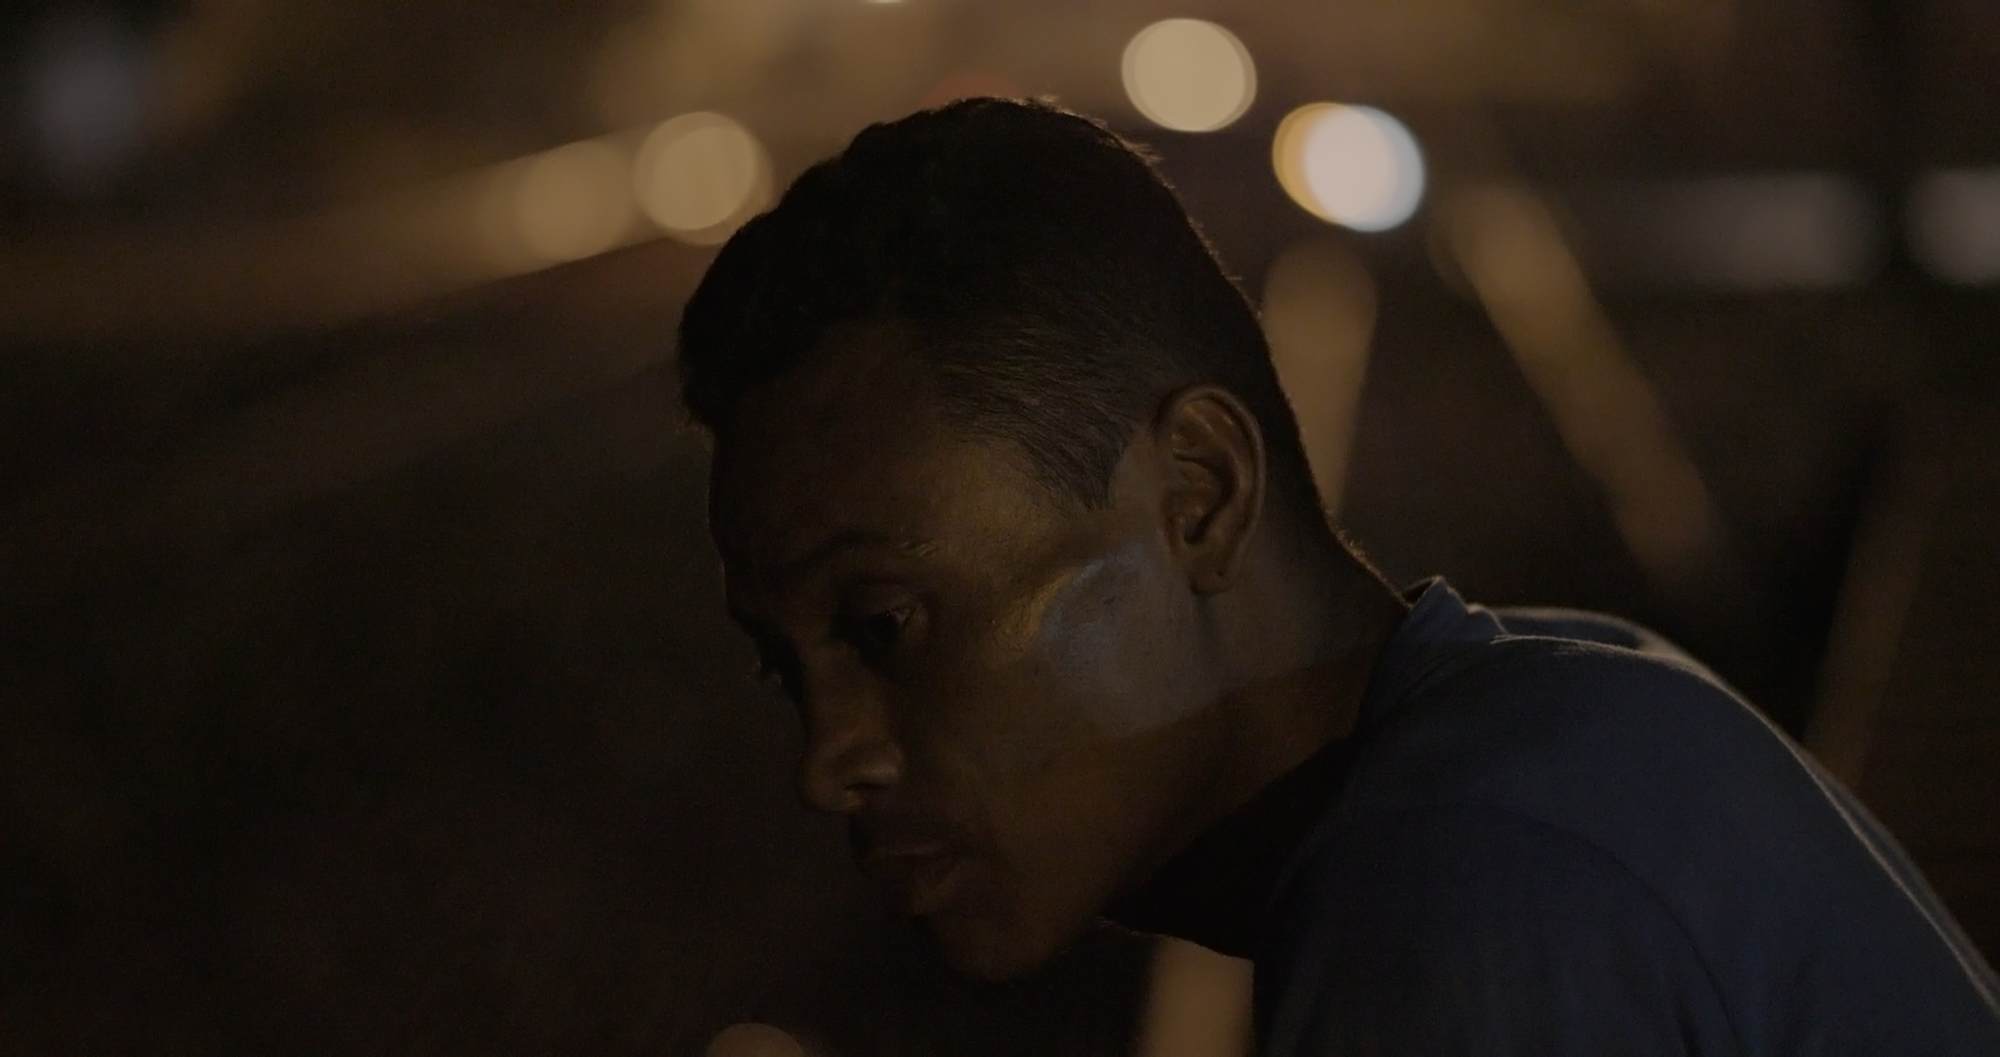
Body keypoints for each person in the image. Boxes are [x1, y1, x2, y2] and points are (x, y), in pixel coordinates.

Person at [674, 97, 2000, 1055]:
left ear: (1200, 492)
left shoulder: (1475, 890)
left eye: (884, 625)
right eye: (788, 670)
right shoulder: (1543, 726)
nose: (827, 762)